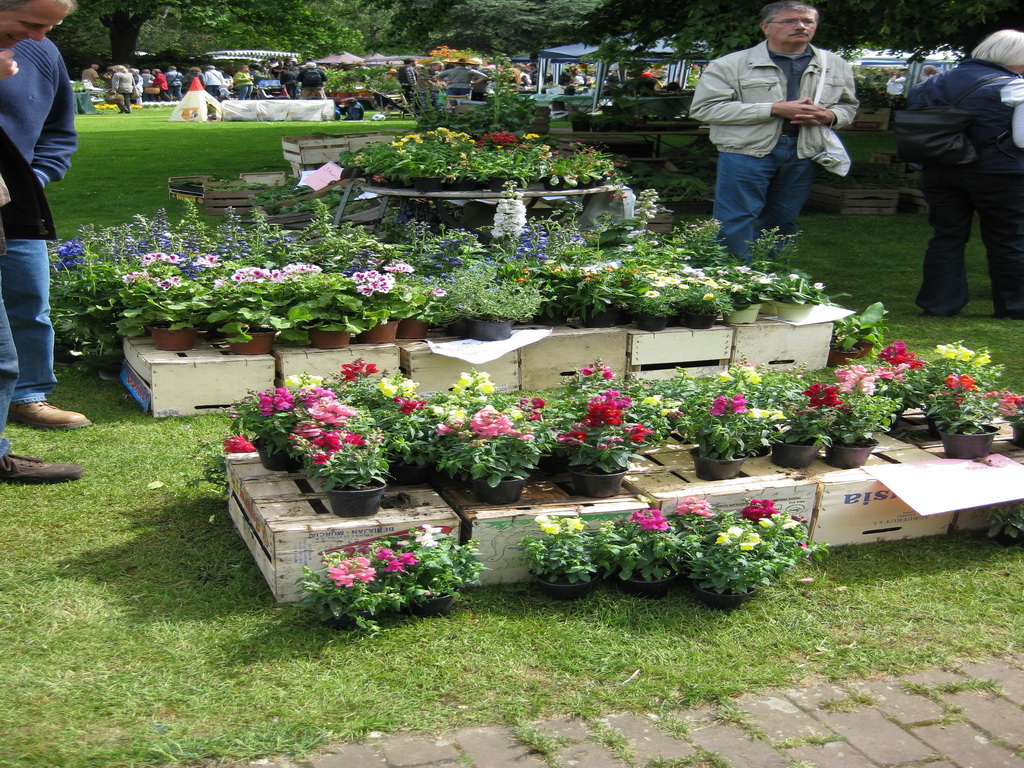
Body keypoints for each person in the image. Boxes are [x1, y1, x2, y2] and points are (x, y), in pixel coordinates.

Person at [689, 0, 858, 258]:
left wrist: (830, 115)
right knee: (734, 218)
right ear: (765, 27)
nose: (801, 26)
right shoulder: (731, 64)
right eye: (789, 21)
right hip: (745, 151)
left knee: (783, 220)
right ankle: (731, 275)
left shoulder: (834, 64)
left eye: (808, 21)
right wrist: (774, 109)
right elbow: (705, 109)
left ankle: (772, 276)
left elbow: (848, 107)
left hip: (804, 151)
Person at [0, 0, 86, 481]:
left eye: (51, 27)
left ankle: (28, 395)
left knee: (29, 299)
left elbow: (58, 130)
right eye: (31, 23)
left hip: (17, 204)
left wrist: (31, 179)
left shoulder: (42, 52)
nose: (40, 36)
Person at [910, 29, 1024, 319]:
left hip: (939, 169)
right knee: (1008, 238)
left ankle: (939, 304)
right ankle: (1015, 306)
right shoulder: (1015, 86)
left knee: (946, 235)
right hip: (999, 172)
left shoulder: (930, 83)